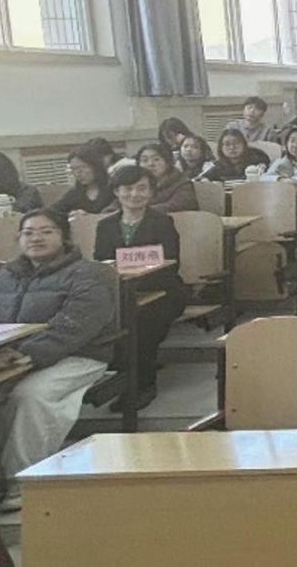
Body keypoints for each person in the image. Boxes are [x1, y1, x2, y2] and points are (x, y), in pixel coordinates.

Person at [0, 209, 117, 511]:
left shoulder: (89, 273)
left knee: (30, 396)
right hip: (11, 359)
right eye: (28, 232)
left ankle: (23, 479)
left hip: (76, 355)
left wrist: (24, 356)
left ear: (64, 237)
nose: (36, 238)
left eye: (47, 231)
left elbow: (75, 326)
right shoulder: (5, 275)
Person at [92, 165, 184, 410]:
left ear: (151, 192)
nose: (135, 194)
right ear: (116, 192)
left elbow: (171, 262)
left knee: (141, 322)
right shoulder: (105, 226)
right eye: (128, 188)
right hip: (120, 293)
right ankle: (119, 381)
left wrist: (136, 274)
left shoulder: (163, 222)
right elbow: (101, 261)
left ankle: (142, 386)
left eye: (142, 188)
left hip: (162, 292)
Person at [133, 143, 199, 214]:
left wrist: (142, 210)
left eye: (156, 159)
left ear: (167, 162)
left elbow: (179, 205)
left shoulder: (182, 183)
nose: (150, 164)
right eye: (145, 160)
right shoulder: (136, 184)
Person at [47, 148, 116, 216]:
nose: (77, 174)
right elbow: (53, 211)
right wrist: (70, 214)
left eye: (81, 168)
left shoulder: (113, 187)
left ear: (95, 166)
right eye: (73, 170)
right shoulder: (75, 193)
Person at [202, 129, 273, 182]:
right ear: (221, 148)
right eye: (227, 144)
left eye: (236, 143)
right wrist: (205, 180)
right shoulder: (218, 165)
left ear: (244, 145)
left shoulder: (257, 159)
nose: (232, 147)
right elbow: (202, 178)